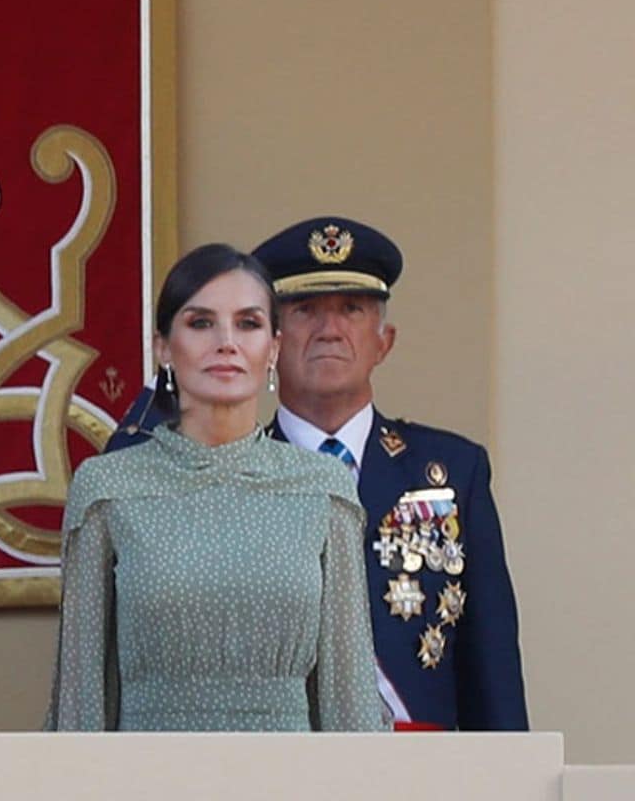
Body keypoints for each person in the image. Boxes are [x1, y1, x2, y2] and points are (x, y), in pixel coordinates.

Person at [106, 218, 528, 730]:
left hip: (422, 771)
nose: (330, 330)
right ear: (274, 344)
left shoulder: (452, 471)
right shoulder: (222, 473)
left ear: (384, 341)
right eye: (306, 310)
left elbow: (492, 665)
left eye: (351, 310)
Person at [47, 243, 385, 731]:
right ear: (162, 346)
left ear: (273, 347)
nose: (226, 342)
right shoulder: (108, 488)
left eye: (247, 323)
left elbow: (347, 692)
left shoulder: (322, 488)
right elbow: (81, 695)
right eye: (201, 322)